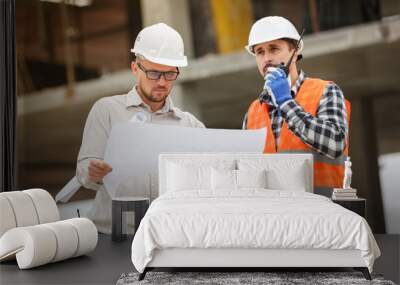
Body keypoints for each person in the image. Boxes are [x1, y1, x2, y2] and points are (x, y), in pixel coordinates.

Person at [76, 23, 205, 234]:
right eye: (154, 73)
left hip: (165, 236)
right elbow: (83, 171)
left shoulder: (189, 125)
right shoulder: (107, 111)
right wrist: (94, 171)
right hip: (111, 236)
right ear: (136, 68)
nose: (162, 82)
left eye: (170, 74)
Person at [243, 16, 350, 196]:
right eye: (260, 52)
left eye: (274, 49)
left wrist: (285, 102)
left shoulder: (326, 91)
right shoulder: (253, 111)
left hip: (324, 215)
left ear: (294, 51)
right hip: (275, 217)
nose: (266, 58)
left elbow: (336, 143)